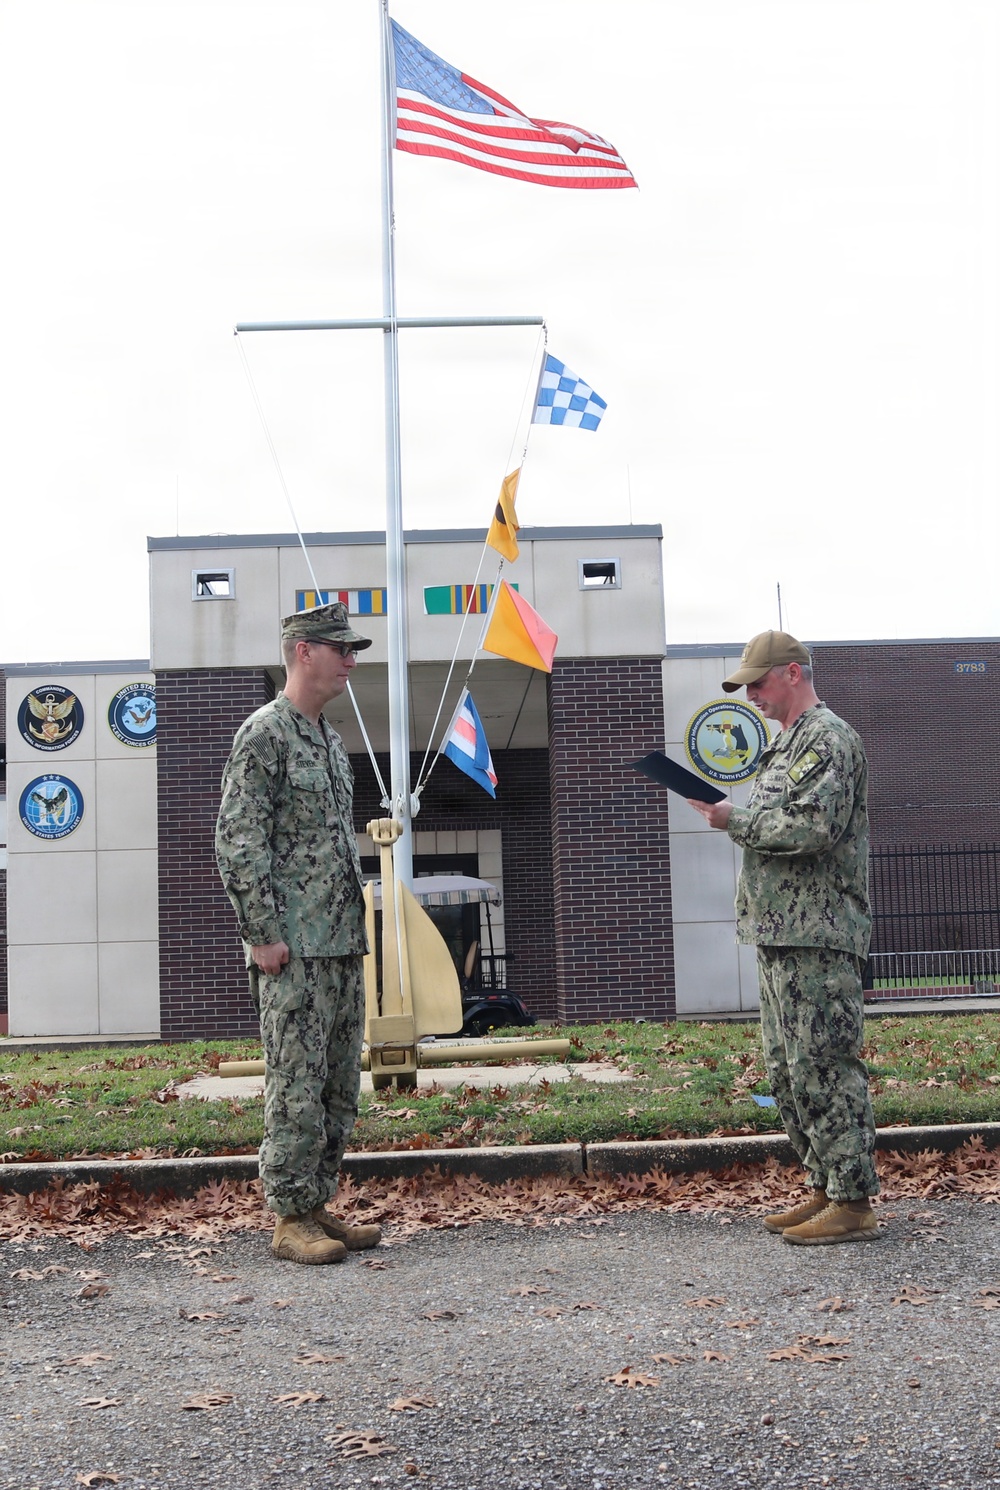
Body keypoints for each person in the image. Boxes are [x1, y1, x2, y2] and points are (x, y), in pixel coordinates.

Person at [686, 630, 880, 1245]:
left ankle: (854, 1203)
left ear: (793, 673)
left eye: (759, 682)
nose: (751, 695)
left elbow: (814, 827)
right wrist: (733, 817)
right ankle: (825, 1185)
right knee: (788, 1069)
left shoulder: (829, 739)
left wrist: (734, 819)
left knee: (824, 1063)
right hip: (781, 931)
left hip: (819, 932)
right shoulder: (786, 745)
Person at [215, 602, 382, 1265]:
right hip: (293, 947)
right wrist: (262, 932)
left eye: (353, 650)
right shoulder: (265, 734)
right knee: (295, 1083)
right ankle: (288, 1217)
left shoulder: (329, 742)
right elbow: (239, 840)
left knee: (337, 1085)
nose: (351, 662)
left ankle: (314, 1204)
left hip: (339, 940)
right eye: (341, 649)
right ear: (303, 652)